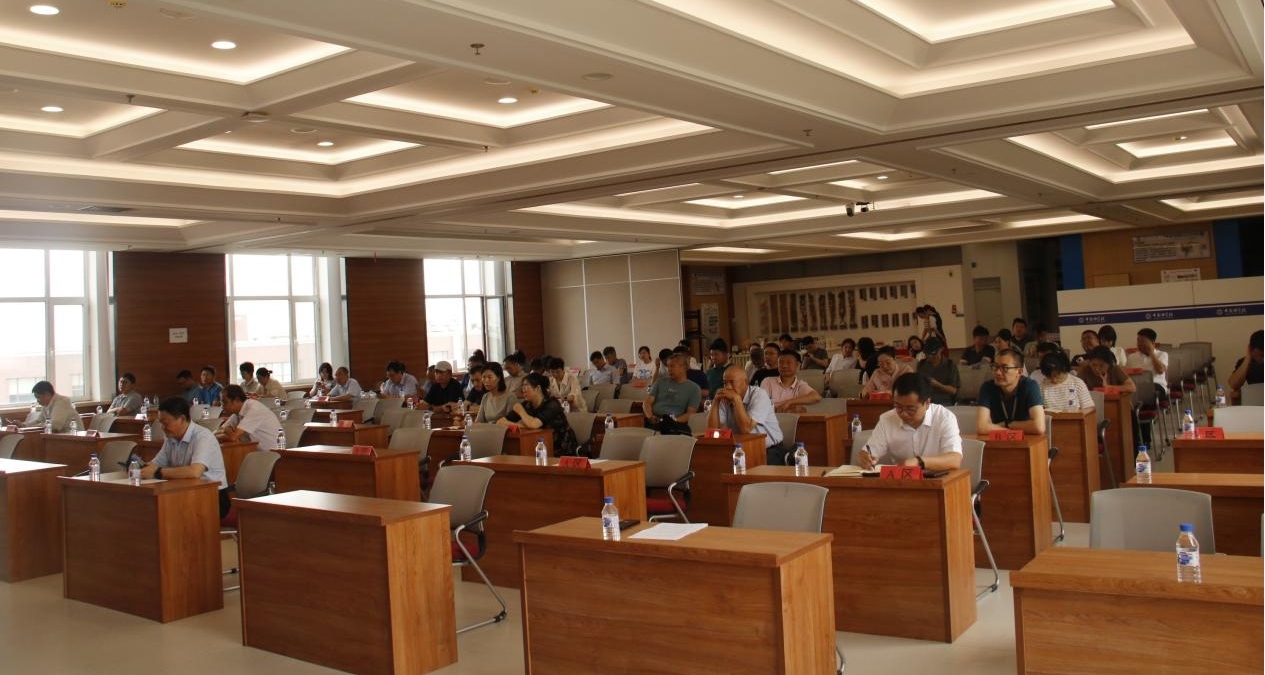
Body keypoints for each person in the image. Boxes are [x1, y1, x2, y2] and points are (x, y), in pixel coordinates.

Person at [141, 397, 229, 518]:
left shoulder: (203, 437)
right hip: (183, 492)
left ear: (182, 419)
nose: (162, 427)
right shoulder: (170, 437)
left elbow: (195, 472)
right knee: (150, 509)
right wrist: (142, 467)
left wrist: (157, 472)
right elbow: (156, 463)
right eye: (160, 422)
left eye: (165, 423)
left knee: (165, 514)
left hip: (212, 496)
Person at [856, 373, 963, 471]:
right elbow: (869, 452)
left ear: (927, 403)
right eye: (898, 407)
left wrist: (919, 462)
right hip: (901, 482)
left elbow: (954, 459)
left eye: (910, 409)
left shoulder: (944, 417)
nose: (904, 413)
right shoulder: (887, 419)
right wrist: (864, 457)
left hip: (938, 480)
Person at [707, 364, 786, 465]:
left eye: (732, 382)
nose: (727, 387)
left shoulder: (759, 395)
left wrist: (736, 399)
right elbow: (712, 430)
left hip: (769, 449)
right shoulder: (725, 397)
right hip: (740, 449)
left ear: (746, 382)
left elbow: (746, 428)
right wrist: (716, 401)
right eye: (725, 383)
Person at [501, 372, 578, 456]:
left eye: (526, 386)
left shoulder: (552, 404)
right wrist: (523, 425)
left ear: (537, 388)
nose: (523, 390)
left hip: (560, 446)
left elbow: (534, 424)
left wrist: (521, 412)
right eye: (522, 386)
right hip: (539, 444)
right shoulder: (527, 404)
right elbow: (501, 422)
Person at [976, 349, 1045, 435]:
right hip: (999, 439)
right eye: (995, 367)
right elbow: (982, 427)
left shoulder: (1030, 386)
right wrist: (1012, 432)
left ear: (1019, 371)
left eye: (1005, 368)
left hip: (1027, 439)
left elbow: (1039, 427)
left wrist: (1007, 424)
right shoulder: (987, 387)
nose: (998, 372)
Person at [642, 353, 701, 434]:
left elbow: (690, 413)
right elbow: (647, 402)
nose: (669, 369)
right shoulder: (660, 381)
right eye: (668, 366)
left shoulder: (694, 388)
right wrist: (650, 416)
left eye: (672, 366)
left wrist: (673, 421)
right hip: (654, 421)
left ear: (683, 367)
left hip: (675, 424)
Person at [916, 337, 960, 406]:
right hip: (925, 402)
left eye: (933, 353)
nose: (930, 356)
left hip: (944, 402)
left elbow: (953, 391)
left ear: (941, 349)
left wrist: (937, 385)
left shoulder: (950, 364)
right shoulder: (921, 364)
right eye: (927, 354)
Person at [1227, 330, 1264, 403]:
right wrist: (1247, 359)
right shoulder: (1246, 362)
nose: (1262, 359)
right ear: (1251, 349)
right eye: (1260, 355)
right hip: (1255, 402)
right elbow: (1233, 384)